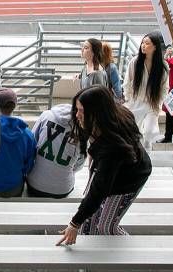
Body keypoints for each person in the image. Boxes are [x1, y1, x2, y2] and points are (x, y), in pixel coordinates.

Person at [56, 86, 152, 242]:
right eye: (77, 109)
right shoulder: (110, 117)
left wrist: (74, 223)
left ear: (97, 113)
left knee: (105, 227)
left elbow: (99, 189)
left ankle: (133, 251)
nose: (77, 115)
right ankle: (91, 247)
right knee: (89, 220)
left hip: (130, 179)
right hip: (120, 168)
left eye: (82, 111)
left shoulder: (112, 146)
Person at [26, 101, 87, 199]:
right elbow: (79, 165)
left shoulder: (47, 115)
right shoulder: (82, 129)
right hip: (63, 189)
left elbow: (32, 143)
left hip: (34, 184)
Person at [124, 32, 168, 148]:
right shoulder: (135, 62)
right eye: (142, 43)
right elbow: (127, 83)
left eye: (147, 43)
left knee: (149, 132)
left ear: (155, 47)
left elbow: (164, 88)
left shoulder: (162, 66)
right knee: (133, 132)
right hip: (135, 102)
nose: (143, 45)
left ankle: (147, 153)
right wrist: (129, 99)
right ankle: (135, 154)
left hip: (152, 104)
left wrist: (158, 104)